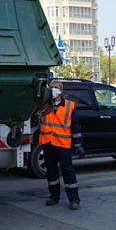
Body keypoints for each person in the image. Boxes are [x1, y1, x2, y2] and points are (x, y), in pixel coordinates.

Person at [39, 80, 84, 210]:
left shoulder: (69, 106)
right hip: (48, 143)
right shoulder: (43, 106)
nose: (54, 89)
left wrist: (78, 144)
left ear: (61, 90)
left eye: (56, 87)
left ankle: (74, 198)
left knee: (67, 171)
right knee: (51, 172)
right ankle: (54, 196)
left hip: (63, 144)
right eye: (51, 87)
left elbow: (75, 126)